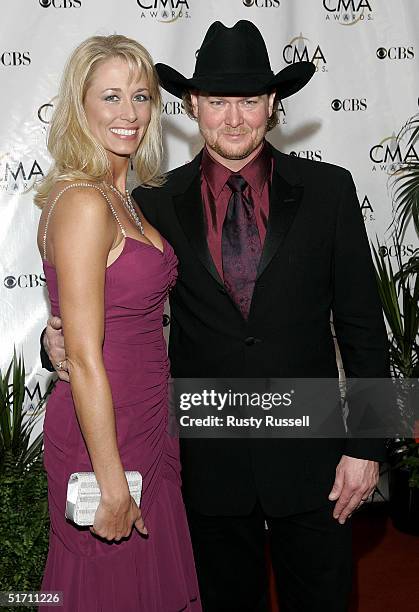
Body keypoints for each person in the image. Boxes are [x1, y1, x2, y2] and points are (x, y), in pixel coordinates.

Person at [41, 22, 390, 612]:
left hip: (313, 461)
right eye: (218, 102)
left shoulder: (330, 190)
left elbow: (363, 324)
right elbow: (95, 297)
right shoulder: (150, 201)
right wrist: (55, 337)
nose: (234, 119)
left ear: (273, 105)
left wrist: (370, 445)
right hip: (203, 464)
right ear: (191, 106)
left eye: (249, 101)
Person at [35, 34, 201, 612]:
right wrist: (110, 483)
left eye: (141, 96)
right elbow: (82, 356)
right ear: (80, 106)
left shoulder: (124, 197)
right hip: (104, 435)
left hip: (148, 420)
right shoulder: (83, 202)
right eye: (110, 97)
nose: (129, 114)